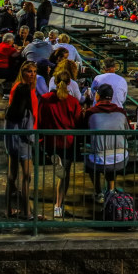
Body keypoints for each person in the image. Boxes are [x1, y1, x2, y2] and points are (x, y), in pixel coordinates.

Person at [37, 68, 81, 218]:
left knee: (61, 171)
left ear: (54, 82)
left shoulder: (45, 99)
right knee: (65, 176)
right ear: (70, 83)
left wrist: (41, 139)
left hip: (51, 139)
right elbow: (77, 121)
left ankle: (55, 158)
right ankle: (58, 205)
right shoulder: (73, 101)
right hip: (67, 140)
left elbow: (40, 120)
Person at [79, 83, 129, 203]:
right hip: (121, 158)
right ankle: (111, 190)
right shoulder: (121, 112)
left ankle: (98, 192)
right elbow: (128, 132)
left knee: (91, 159)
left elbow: (84, 133)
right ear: (111, 97)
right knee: (111, 161)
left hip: (99, 159)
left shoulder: (91, 113)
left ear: (98, 96)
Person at [4, 61, 38, 220]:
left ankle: (9, 209)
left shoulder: (16, 88)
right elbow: (29, 117)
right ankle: (27, 213)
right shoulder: (25, 90)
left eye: (34, 71)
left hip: (12, 136)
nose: (32, 74)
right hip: (24, 137)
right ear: (23, 72)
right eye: (29, 71)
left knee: (13, 175)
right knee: (26, 175)